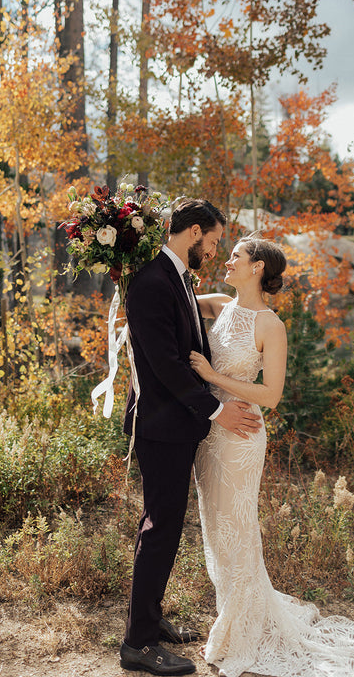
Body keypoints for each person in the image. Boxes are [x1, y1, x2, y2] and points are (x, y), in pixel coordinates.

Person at [187, 235, 354, 677]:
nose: (229, 260)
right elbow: (171, 302)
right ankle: (234, 614)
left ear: (257, 267)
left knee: (238, 529)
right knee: (217, 532)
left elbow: (272, 394)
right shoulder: (220, 304)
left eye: (237, 254)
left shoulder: (270, 325)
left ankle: (241, 631)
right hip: (211, 431)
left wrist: (211, 374)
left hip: (241, 435)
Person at [120, 199, 263, 677]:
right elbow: (166, 366)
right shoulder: (152, 282)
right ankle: (138, 645)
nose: (215, 249)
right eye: (215, 241)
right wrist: (217, 410)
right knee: (158, 530)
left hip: (176, 425)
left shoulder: (176, 278)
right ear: (194, 232)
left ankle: (151, 620)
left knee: (166, 529)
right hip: (160, 426)